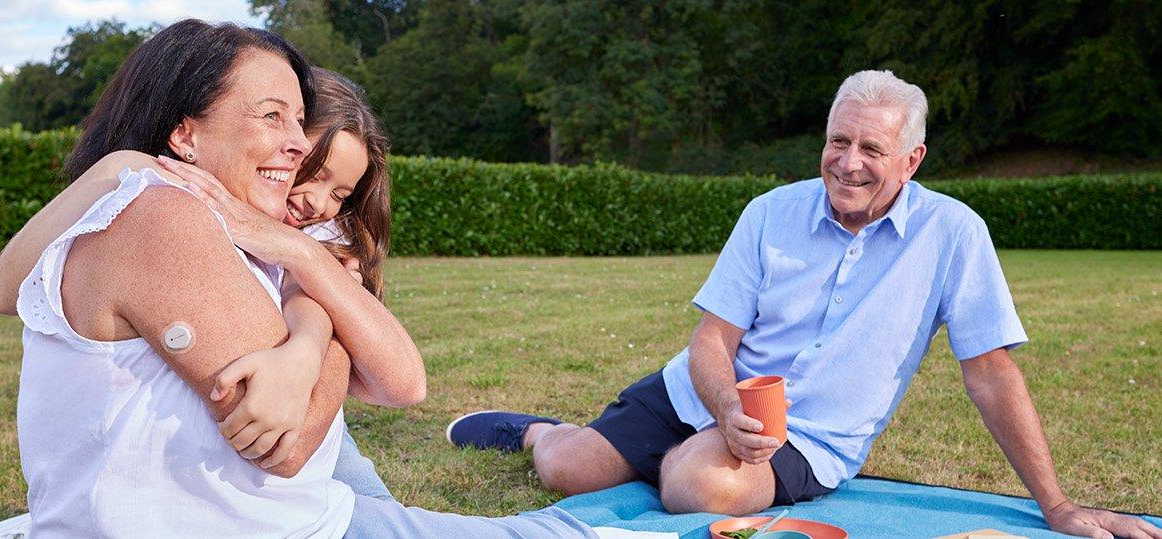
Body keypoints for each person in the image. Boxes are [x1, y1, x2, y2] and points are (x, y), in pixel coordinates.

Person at [448, 70, 1162, 539]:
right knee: (569, 469)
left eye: (871, 149)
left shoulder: (953, 234)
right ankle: (539, 430)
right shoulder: (770, 212)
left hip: (809, 437)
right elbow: (711, 340)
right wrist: (725, 408)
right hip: (702, 392)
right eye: (837, 141)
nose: (848, 162)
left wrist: (1058, 504)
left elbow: (991, 374)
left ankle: (676, 459)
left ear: (912, 160)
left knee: (696, 484)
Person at [0, 19, 601, 538]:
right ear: (185, 134)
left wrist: (309, 304)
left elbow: (398, 383)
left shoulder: (248, 229)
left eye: (298, 121)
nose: (293, 147)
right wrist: (318, 329)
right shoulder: (159, 213)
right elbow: (293, 438)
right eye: (273, 117)